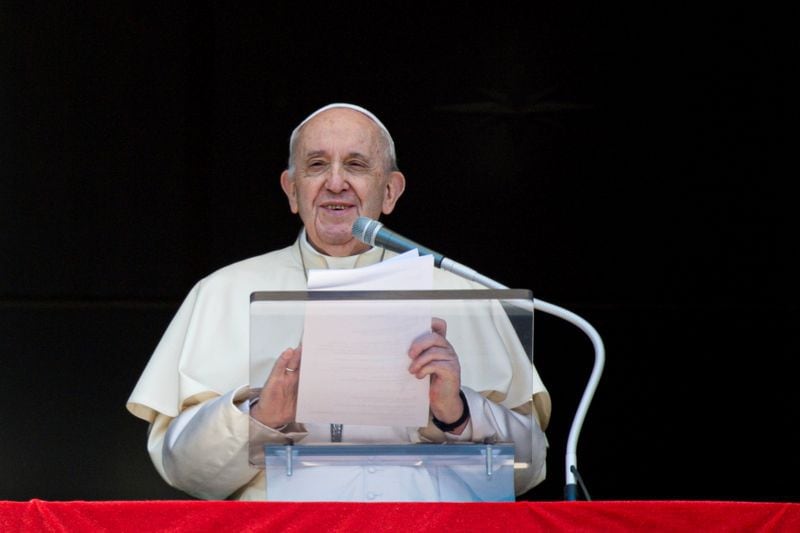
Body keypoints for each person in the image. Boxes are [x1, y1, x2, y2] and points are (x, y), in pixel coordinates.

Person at [126, 103, 551, 501]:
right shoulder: (223, 291)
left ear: (390, 191)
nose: (335, 182)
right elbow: (184, 470)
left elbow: (528, 469)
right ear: (292, 190)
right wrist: (259, 416)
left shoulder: (461, 292)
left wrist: (456, 414)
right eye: (316, 165)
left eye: (356, 164)